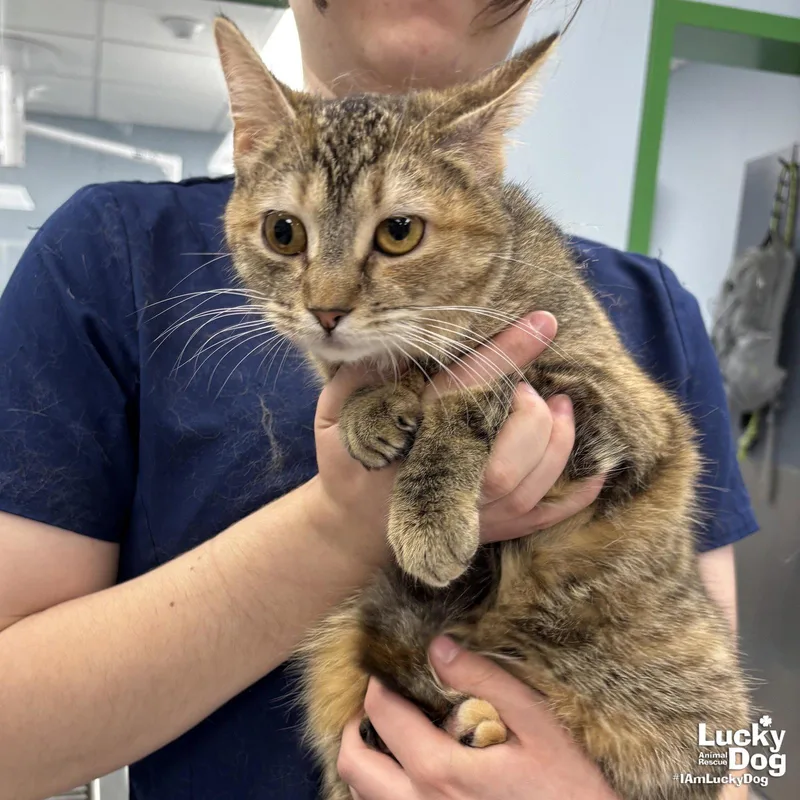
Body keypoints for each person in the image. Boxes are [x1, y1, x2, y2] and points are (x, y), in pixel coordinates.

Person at [0, 1, 756, 799]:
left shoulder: (652, 305)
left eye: (395, 234)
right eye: (286, 237)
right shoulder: (109, 255)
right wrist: (342, 523)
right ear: (251, 146)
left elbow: (739, 753)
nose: (326, 300)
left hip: (624, 721)